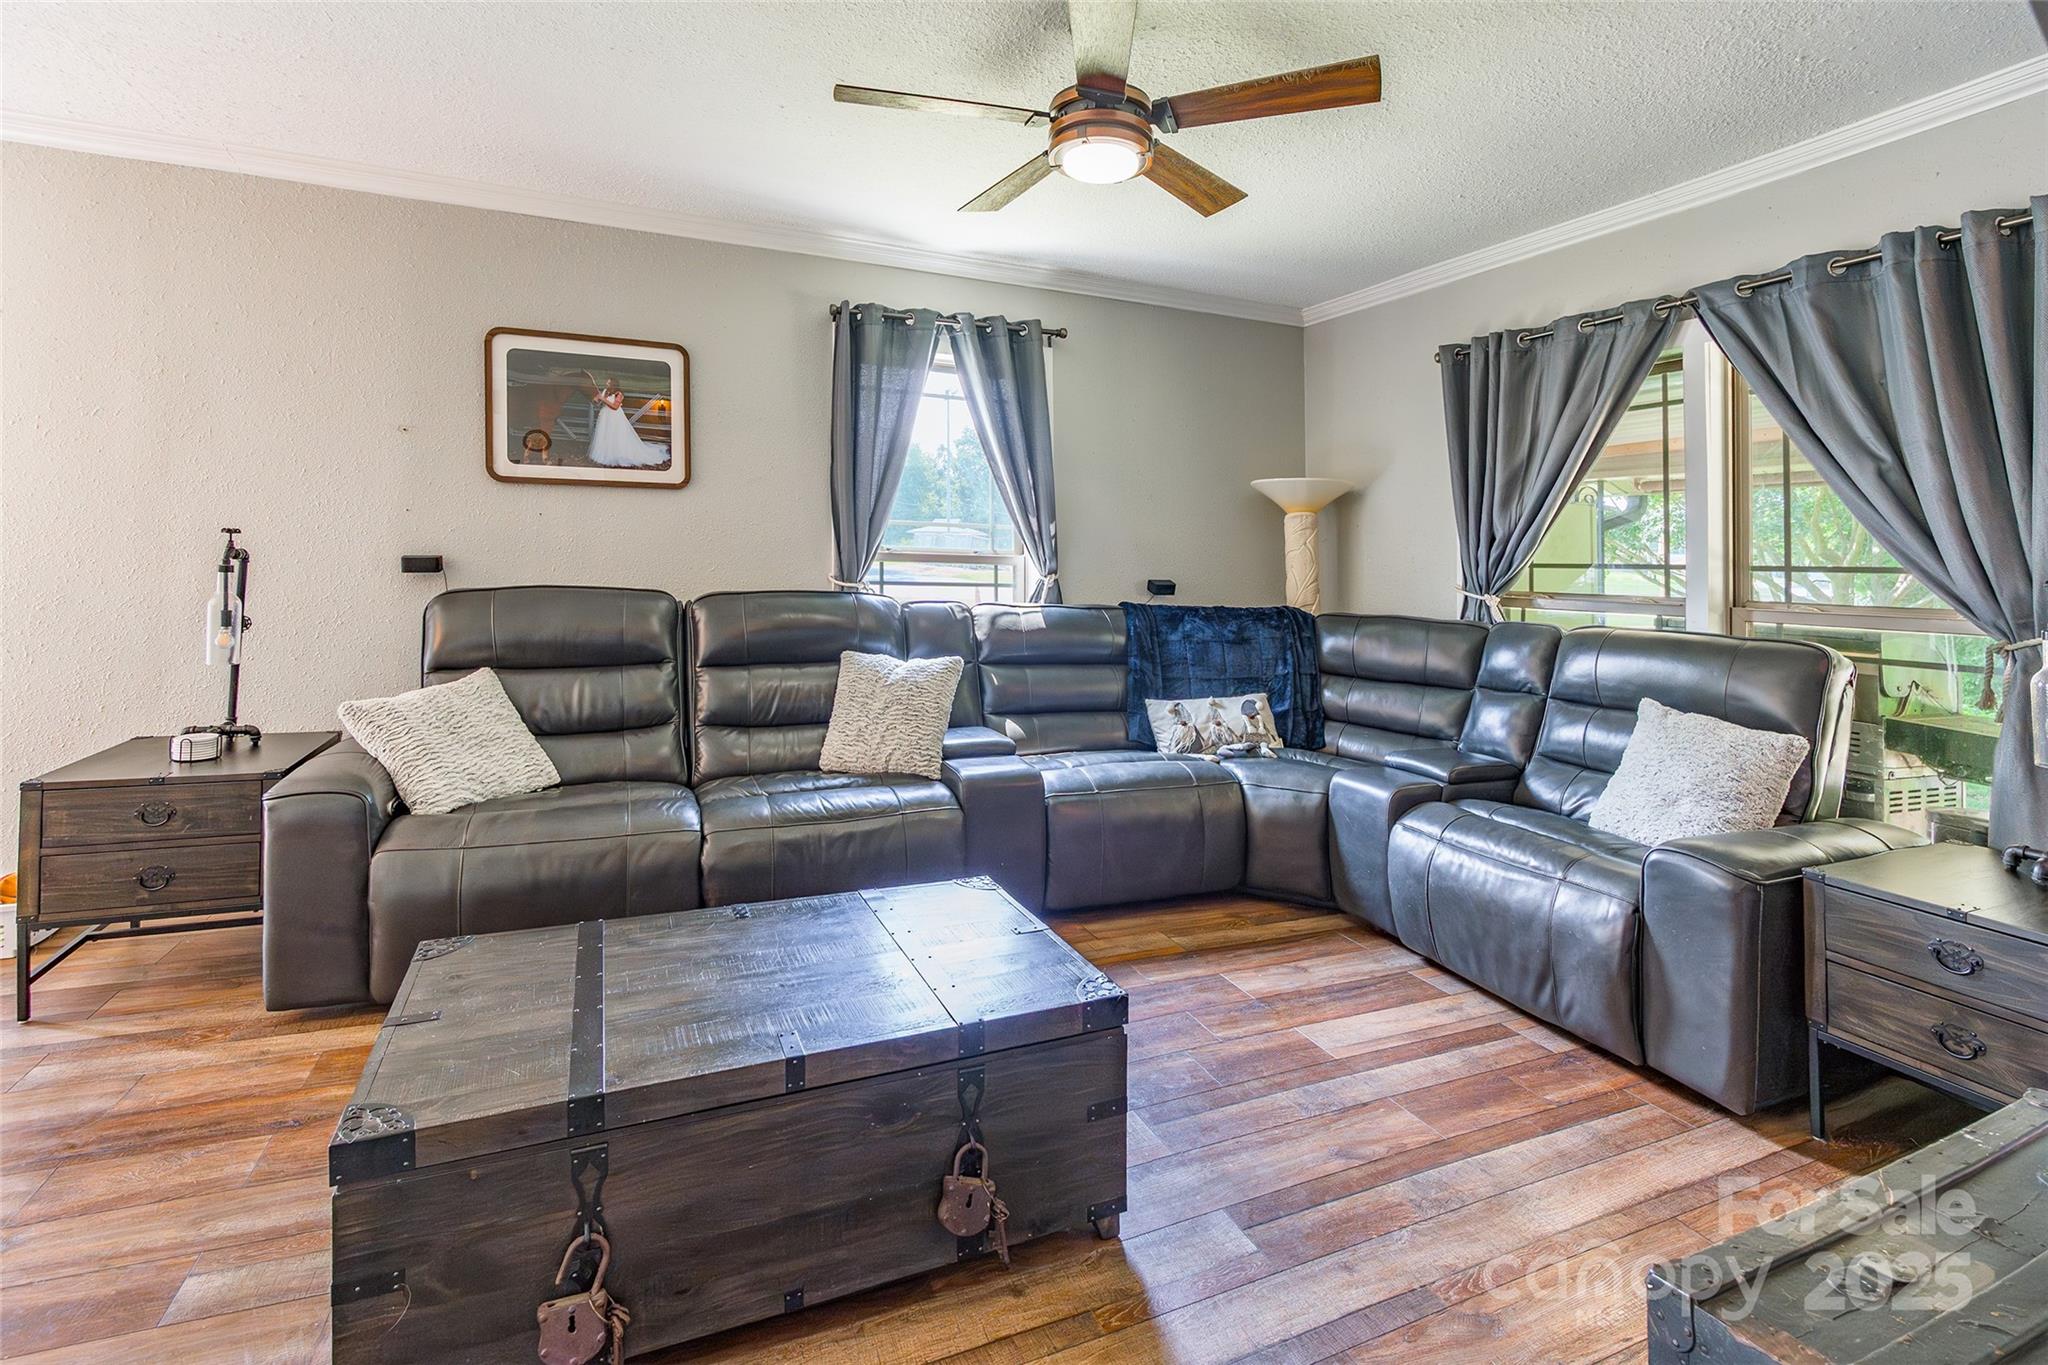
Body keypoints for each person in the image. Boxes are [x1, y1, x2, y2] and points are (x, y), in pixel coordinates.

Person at [582, 373, 669, 469]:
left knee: (616, 435)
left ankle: (618, 453)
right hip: (605, 416)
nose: (606, 384)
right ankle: (606, 453)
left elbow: (615, 407)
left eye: (608, 383)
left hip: (614, 417)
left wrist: (603, 399)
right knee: (605, 434)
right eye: (607, 382)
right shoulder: (606, 391)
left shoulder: (619, 394)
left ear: (613, 384)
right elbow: (600, 403)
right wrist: (596, 399)